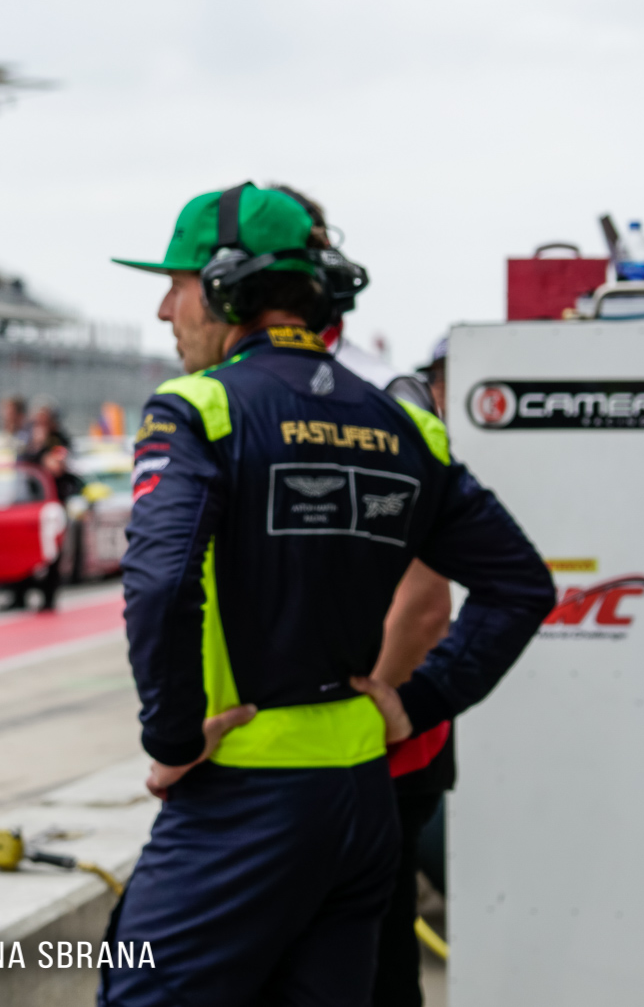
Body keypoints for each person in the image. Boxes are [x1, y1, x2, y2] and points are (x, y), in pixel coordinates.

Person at [101, 183, 555, 1006]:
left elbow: (161, 583)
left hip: (239, 793)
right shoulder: (404, 424)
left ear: (228, 286)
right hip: (361, 802)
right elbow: (522, 586)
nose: (167, 309)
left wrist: (170, 740)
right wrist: (419, 701)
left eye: (177, 283)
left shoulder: (199, 410)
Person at [272, 188, 461, 1005]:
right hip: (312, 748)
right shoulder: (249, 390)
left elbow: (425, 607)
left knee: (373, 963)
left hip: (376, 748)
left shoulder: (388, 395)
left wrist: (364, 704)